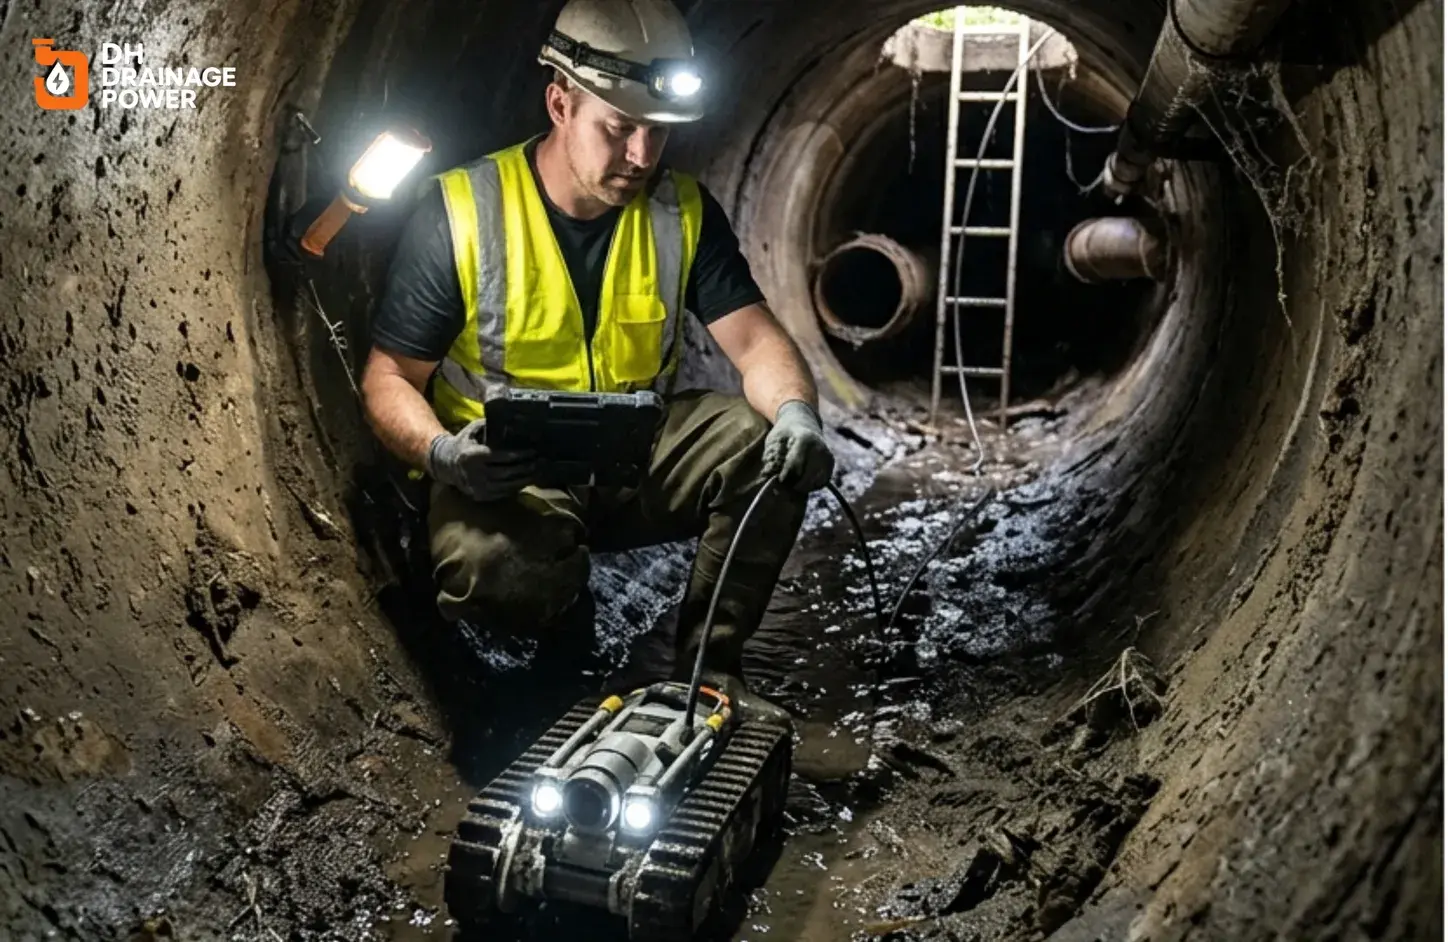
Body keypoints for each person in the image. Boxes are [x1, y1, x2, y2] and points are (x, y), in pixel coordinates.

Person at [360, 0, 833, 725]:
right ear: (559, 102)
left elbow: (757, 341)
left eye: (658, 134)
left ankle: (711, 672)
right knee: (493, 571)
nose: (642, 156)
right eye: (618, 129)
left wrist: (798, 412)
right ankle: (555, 638)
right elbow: (389, 377)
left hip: (631, 462)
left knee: (761, 447)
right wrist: (446, 455)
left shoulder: (682, 212)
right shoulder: (461, 211)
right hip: (508, 478)